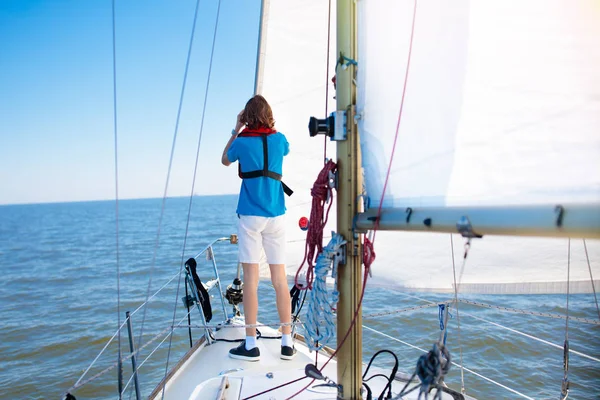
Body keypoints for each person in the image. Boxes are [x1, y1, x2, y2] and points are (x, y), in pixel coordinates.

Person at [221, 95, 295, 361]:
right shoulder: (280, 140)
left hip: (250, 216)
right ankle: (287, 342)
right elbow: (284, 148)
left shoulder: (241, 142)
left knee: (250, 281)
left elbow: (224, 160)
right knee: (279, 280)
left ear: (246, 117)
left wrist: (236, 129)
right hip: (276, 215)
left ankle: (251, 344)